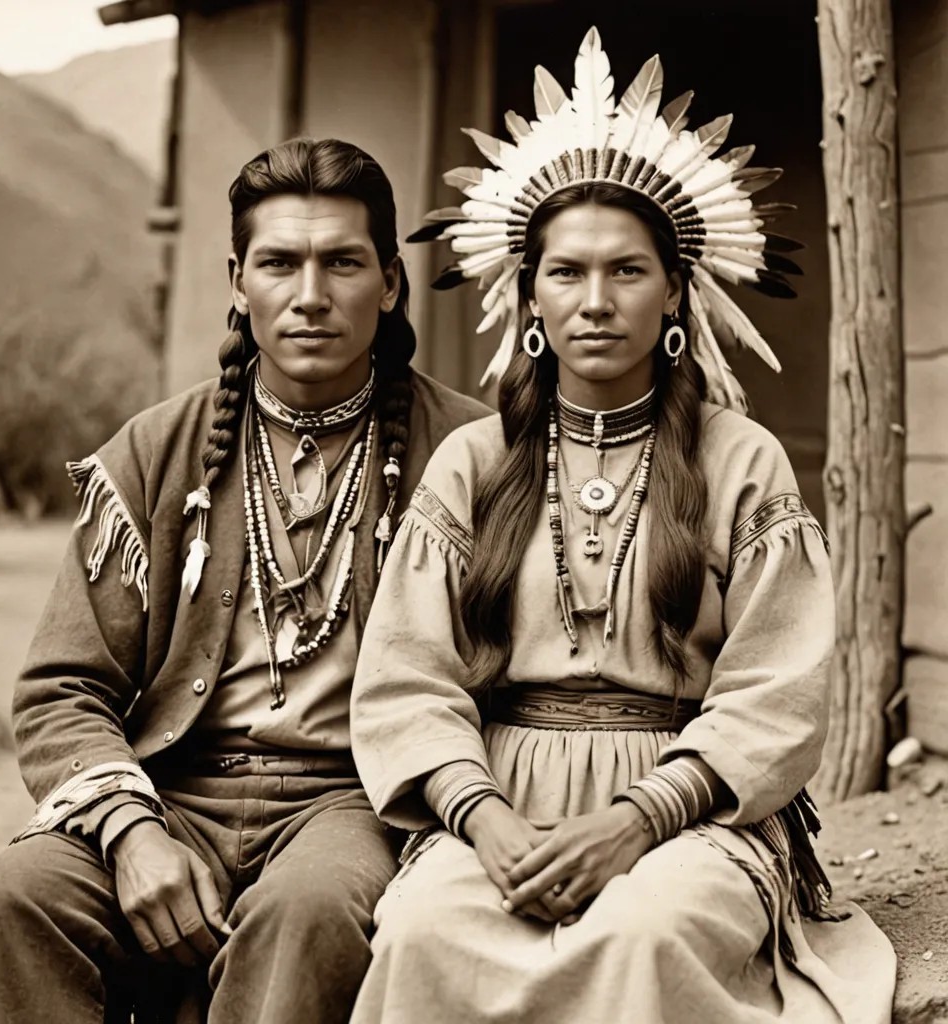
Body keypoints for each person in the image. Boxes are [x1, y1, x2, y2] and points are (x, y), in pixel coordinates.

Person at [348, 29, 896, 1023]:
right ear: (527, 294)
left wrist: (638, 818)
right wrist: (482, 817)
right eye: (565, 273)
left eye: (627, 271)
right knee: (426, 927)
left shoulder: (741, 461)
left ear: (677, 288)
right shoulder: (472, 463)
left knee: (646, 931)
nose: (594, 301)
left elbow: (778, 694)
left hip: (693, 812)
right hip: (498, 803)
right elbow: (405, 677)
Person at [0, 137, 488, 1024]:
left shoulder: (469, 455)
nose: (310, 295)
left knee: (310, 913)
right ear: (238, 279)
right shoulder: (157, 452)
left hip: (353, 800)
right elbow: (63, 687)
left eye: (342, 262)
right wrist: (131, 828)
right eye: (279, 263)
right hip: (171, 787)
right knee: (15, 894)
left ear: (388, 283)